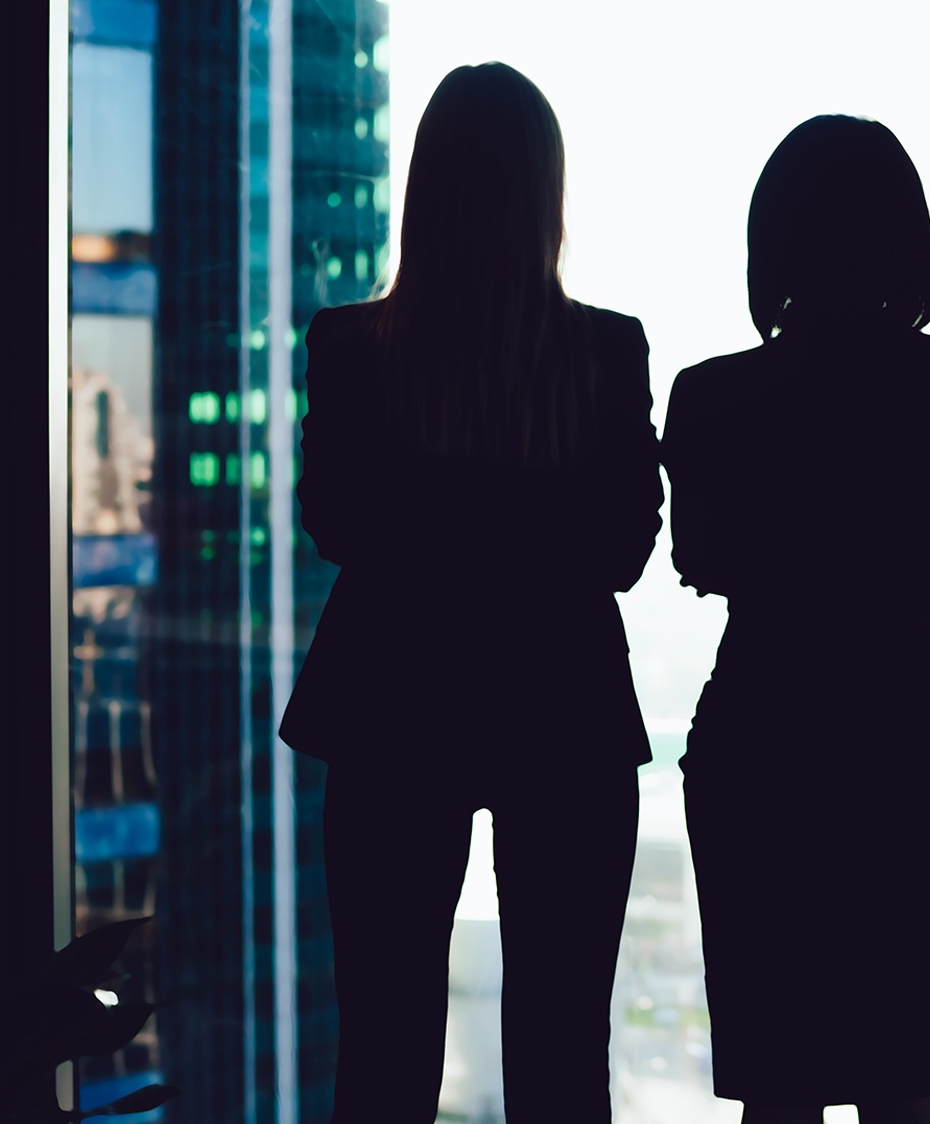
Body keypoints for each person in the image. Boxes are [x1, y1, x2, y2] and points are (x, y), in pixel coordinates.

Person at [280, 62, 663, 1123]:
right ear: (548, 191)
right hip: (567, 713)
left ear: (427, 188)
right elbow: (626, 547)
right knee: (561, 1061)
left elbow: (337, 525)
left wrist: (439, 522)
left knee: (384, 1054)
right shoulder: (604, 350)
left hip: (393, 709)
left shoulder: (353, 349)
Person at [662, 115, 930, 1124]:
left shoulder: (711, 398)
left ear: (775, 239)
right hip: (912, 731)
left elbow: (709, 560)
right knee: (904, 1079)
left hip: (763, 735)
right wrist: (921, 574)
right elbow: (922, 555)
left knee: (780, 1081)